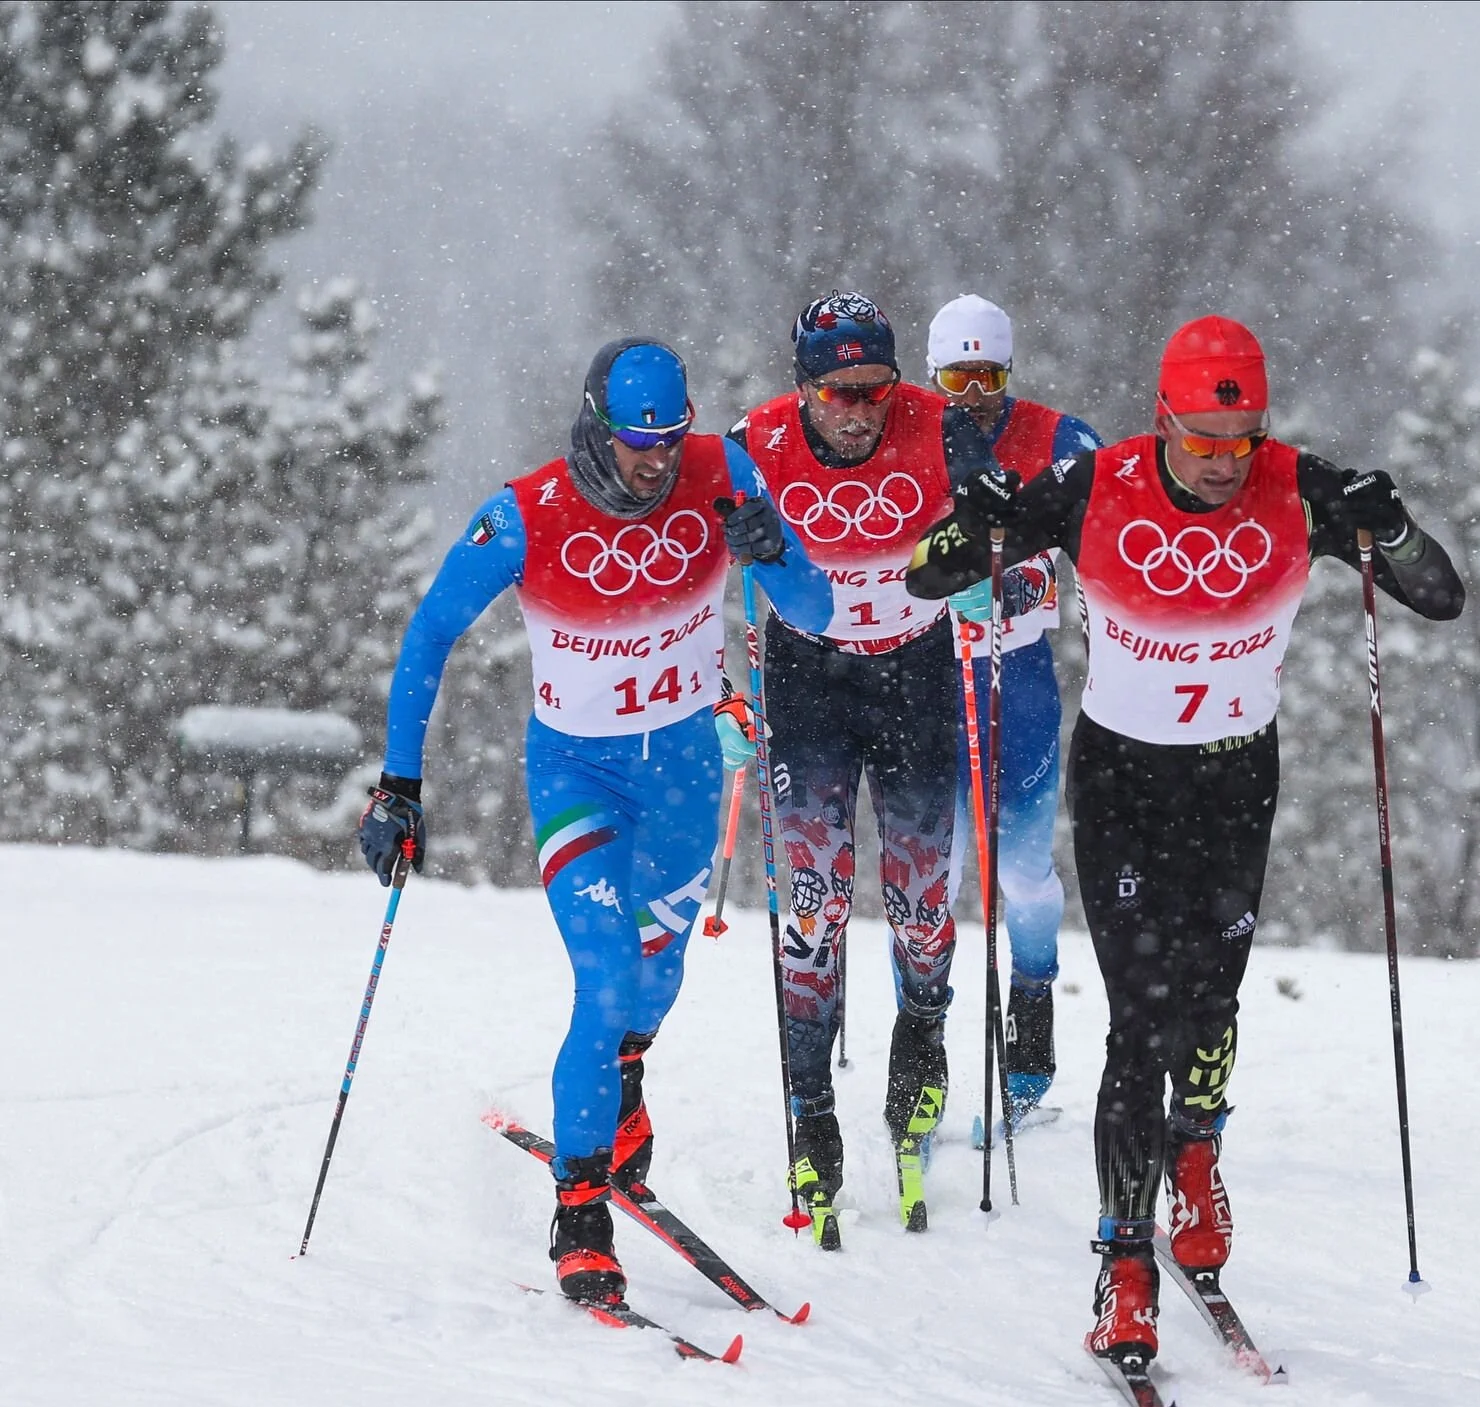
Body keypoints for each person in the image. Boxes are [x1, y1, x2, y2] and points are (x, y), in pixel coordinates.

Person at [907, 316, 1465, 1371]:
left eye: (1241, 439)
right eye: (1204, 439)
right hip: (1125, 780)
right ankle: (1122, 1265)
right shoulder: (1094, 484)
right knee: (1140, 1020)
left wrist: (1386, 532)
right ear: (1163, 419)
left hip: (1233, 781)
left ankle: (1196, 1148)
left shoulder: (1299, 487)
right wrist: (967, 521)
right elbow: (927, 577)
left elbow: (1438, 597)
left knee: (1212, 997)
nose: (1222, 461)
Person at [356, 339, 830, 1304]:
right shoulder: (526, 512)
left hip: (688, 776)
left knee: (654, 985)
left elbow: (817, 608)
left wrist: (771, 552)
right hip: (580, 774)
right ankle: (581, 1210)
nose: (657, 460)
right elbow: (430, 635)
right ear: (594, 423)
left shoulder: (721, 473)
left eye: (670, 437)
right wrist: (398, 784)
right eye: (635, 440)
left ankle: (623, 1084)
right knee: (606, 978)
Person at [727, 292, 968, 1247]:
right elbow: (693, 570)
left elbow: (1015, 509)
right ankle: (810, 1099)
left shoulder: (941, 428)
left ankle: (923, 1033)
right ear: (804, 386)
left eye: (876, 388)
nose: (861, 409)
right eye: (839, 392)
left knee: (920, 895)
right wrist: (723, 694)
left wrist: (995, 557)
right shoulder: (754, 441)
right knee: (812, 900)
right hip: (807, 680)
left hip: (914, 671)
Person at [918, 294, 1103, 1133]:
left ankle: (1031, 1001)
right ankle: (920, 1040)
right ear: (932, 374)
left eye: (988, 374)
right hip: (926, 677)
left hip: (1019, 674)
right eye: (956, 375)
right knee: (933, 875)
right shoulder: (905, 435)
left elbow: (1109, 539)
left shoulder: (1059, 441)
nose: (972, 394)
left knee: (1021, 868)